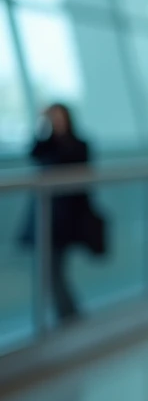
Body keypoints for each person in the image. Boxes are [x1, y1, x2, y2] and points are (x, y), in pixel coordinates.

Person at [19, 104, 96, 322]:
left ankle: (70, 318)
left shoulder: (79, 144)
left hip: (66, 218)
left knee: (54, 270)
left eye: (59, 117)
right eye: (53, 118)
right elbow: (33, 153)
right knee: (50, 270)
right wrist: (42, 125)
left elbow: (79, 173)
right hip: (46, 215)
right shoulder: (47, 143)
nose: (57, 121)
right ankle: (68, 316)